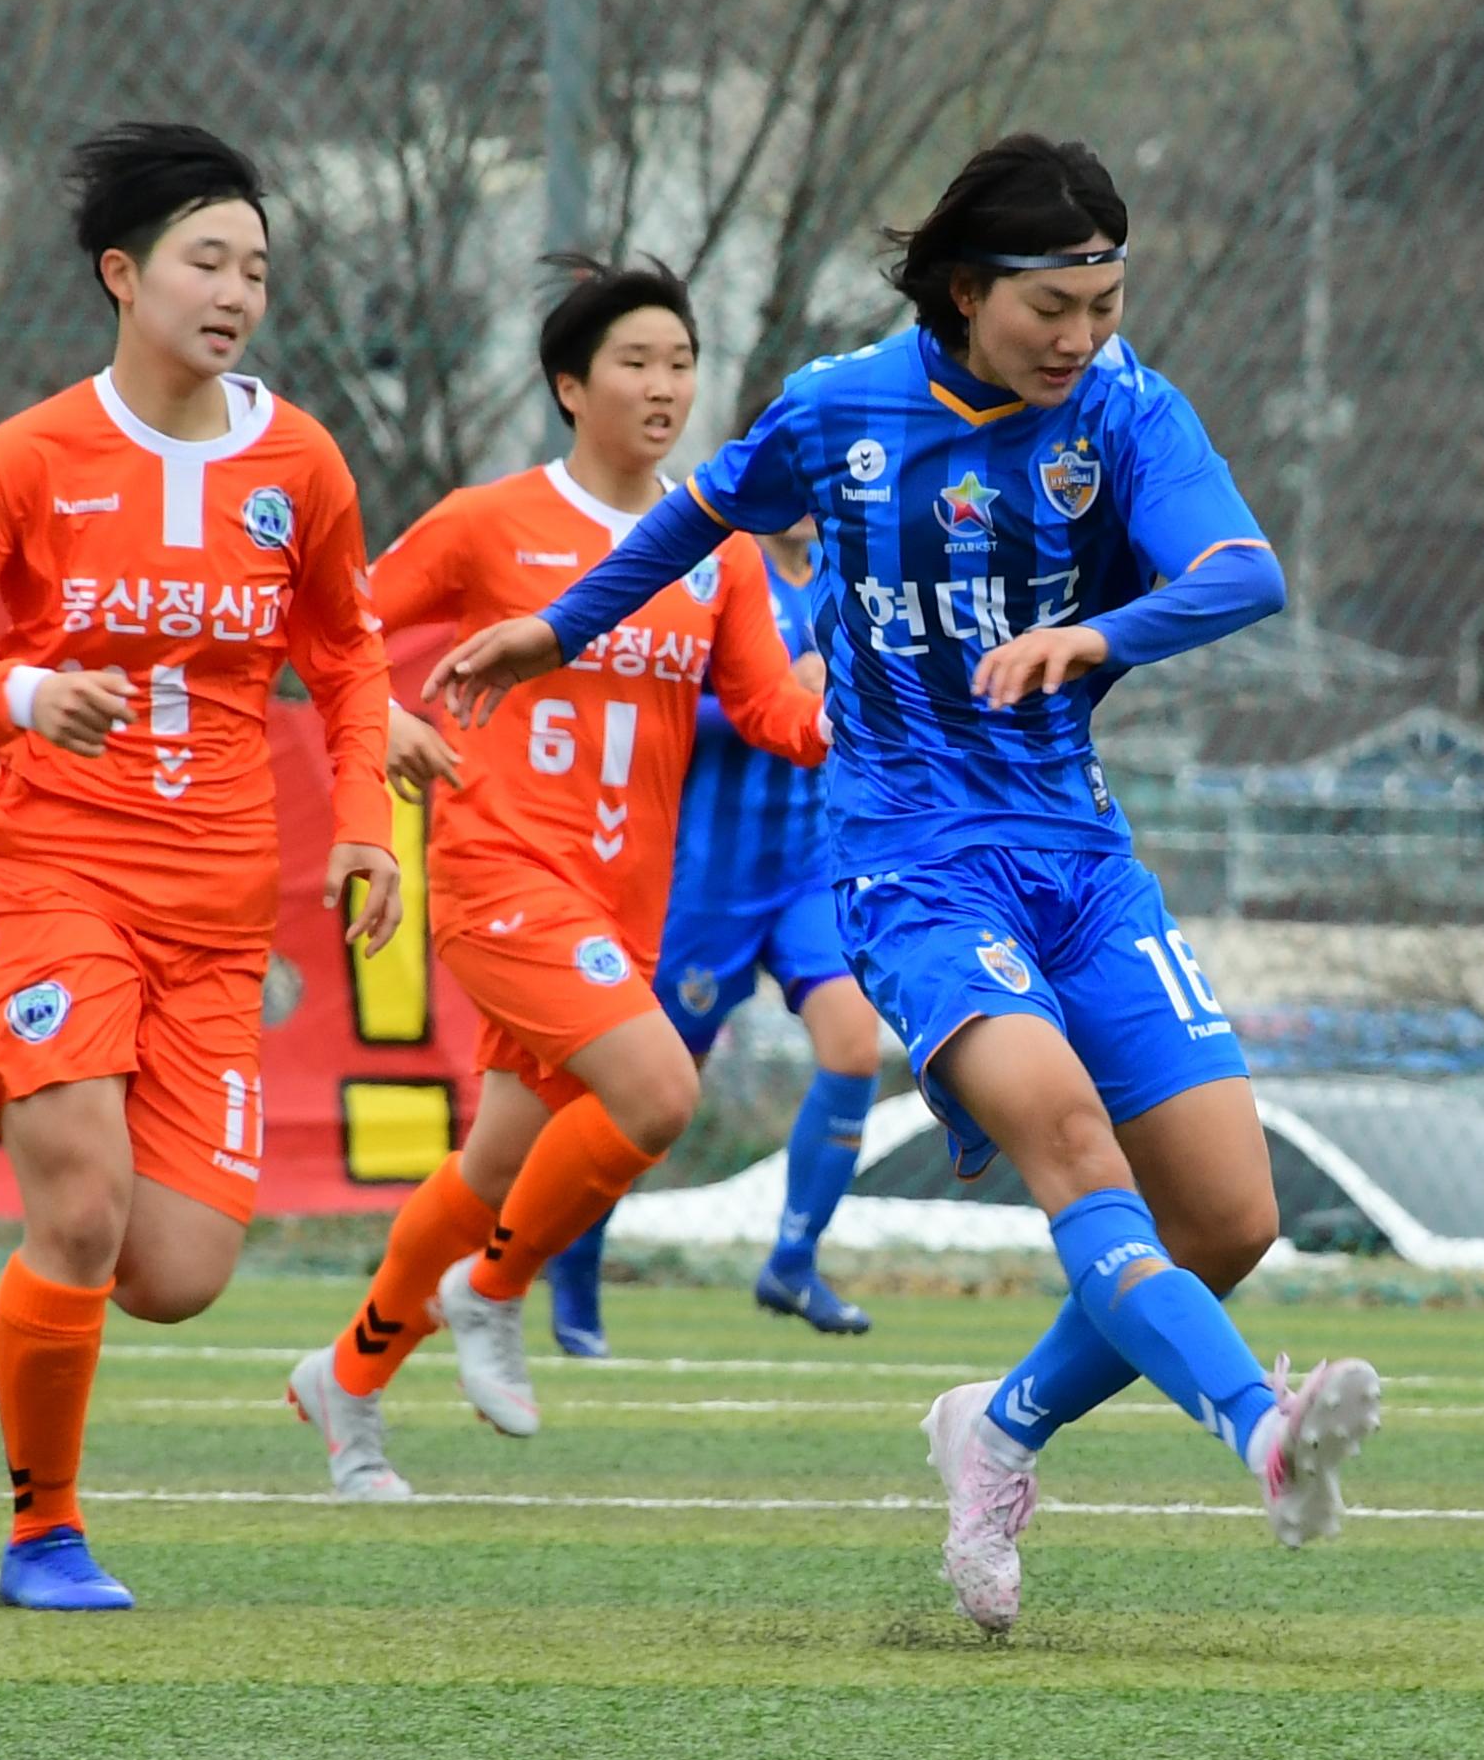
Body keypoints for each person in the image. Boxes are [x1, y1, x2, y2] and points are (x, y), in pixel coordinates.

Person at [437, 132, 1379, 1635]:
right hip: (912, 867)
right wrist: (558, 631)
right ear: (961, 291)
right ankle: (1262, 1434)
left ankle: (996, 1429)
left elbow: (1243, 570)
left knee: (1230, 1220)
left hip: (1081, 861)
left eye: (1105, 307)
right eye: (1048, 312)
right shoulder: (841, 408)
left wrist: (1102, 636)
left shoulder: (1126, 411)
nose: (1080, 341)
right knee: (1078, 1145)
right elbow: (704, 512)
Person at [0, 121, 401, 1608]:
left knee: (174, 1275)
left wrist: (364, 818)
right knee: (82, 1215)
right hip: (54, 873)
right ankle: (44, 1531)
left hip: (220, 910)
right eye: (206, 260)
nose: (236, 291)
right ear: (123, 274)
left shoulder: (298, 460)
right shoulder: (32, 456)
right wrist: (27, 695)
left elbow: (350, 658)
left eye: (258, 268)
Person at [282, 256, 828, 1501]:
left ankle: (347, 1385)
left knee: (486, 1170)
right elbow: (336, 633)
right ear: (569, 386)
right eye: (636, 362)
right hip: (498, 867)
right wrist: (389, 728)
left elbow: (765, 704)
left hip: (620, 904)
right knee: (657, 1089)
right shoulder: (492, 521)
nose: (665, 385)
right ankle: (495, 1288)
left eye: (682, 362)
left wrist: (852, 719)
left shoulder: (719, 547)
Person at [543, 512, 884, 1357]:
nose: (824, 488)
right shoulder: (716, 574)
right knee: (654, 1095)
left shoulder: (847, 577)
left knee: (854, 1048)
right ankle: (576, 1264)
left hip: (808, 871)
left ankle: (794, 1262)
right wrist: (776, 699)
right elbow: (663, 707)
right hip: (708, 883)